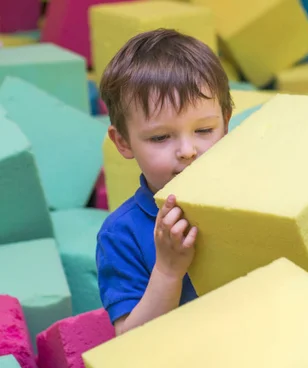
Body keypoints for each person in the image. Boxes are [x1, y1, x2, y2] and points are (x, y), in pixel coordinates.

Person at [95, 28, 233, 336]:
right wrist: (168, 271)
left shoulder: (252, 196)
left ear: (226, 121)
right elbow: (130, 341)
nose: (187, 152)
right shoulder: (121, 234)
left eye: (204, 130)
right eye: (160, 137)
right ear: (124, 142)